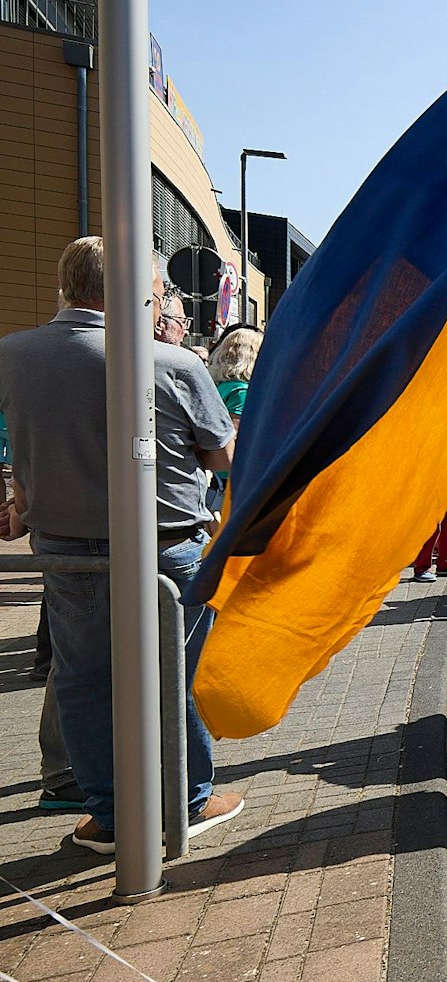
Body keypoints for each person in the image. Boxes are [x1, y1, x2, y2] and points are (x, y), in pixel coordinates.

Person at [0, 238, 246, 853]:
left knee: (82, 680)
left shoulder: (13, 355)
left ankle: (109, 814)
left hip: (64, 551)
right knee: (171, 680)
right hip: (167, 550)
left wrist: (16, 498)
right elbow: (222, 458)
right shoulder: (168, 362)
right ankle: (186, 802)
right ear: (141, 292)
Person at [205, 326, 260, 524]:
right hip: (236, 475)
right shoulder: (241, 391)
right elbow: (234, 435)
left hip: (219, 471)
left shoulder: (221, 386)